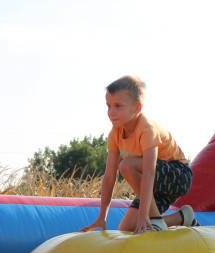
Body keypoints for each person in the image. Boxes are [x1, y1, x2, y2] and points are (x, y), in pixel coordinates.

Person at [81, 75, 198, 234]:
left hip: (178, 175)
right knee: (127, 228)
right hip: (152, 182)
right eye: (108, 106)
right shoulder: (115, 134)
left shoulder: (147, 129)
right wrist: (102, 216)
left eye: (118, 106)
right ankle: (182, 217)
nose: (111, 112)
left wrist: (145, 215)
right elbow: (109, 176)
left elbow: (149, 171)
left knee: (127, 166)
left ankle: (156, 219)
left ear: (137, 107)